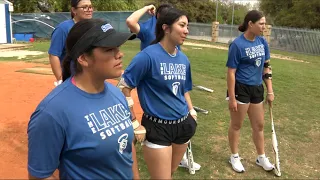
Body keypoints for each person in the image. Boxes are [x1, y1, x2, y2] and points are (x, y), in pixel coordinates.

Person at [27, 19, 140, 179]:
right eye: (109, 49)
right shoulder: (52, 112)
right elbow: (40, 176)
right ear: (83, 59)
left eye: (118, 47)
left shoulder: (117, 95)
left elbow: (127, 150)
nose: (119, 54)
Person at [120, 8, 197, 179]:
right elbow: (124, 87)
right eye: (182, 25)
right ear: (166, 28)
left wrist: (191, 111)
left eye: (187, 26)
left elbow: (184, 89)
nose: (186, 30)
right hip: (157, 127)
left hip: (183, 125)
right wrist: (133, 122)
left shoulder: (183, 59)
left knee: (169, 172)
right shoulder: (147, 56)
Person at [226, 10, 275, 173]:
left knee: (259, 125)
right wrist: (232, 97)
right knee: (236, 124)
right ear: (250, 24)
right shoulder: (237, 45)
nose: (264, 26)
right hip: (241, 88)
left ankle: (261, 157)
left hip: (256, 88)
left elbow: (266, 68)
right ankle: (234, 156)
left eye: (264, 23)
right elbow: (231, 72)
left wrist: (270, 90)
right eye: (261, 23)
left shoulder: (262, 42)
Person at [49, 0, 93, 86]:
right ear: (74, 10)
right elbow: (53, 55)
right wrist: (60, 79)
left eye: (90, 7)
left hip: (90, 78)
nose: (89, 10)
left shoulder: (93, 27)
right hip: (71, 79)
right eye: (84, 7)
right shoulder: (63, 28)